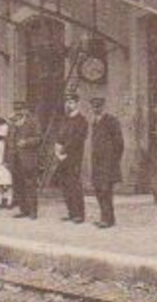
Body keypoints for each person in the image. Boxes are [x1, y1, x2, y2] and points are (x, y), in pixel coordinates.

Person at [85, 96, 125, 228]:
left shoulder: (111, 120)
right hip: (97, 163)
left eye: (99, 106)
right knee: (99, 191)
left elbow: (119, 143)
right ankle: (105, 217)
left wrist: (113, 160)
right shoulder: (95, 122)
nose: (96, 109)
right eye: (94, 107)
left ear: (103, 107)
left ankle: (107, 219)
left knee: (106, 191)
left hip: (108, 164)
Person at [52, 93, 90, 224]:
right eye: (67, 102)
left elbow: (78, 139)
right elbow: (59, 136)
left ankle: (79, 214)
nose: (69, 104)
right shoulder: (65, 120)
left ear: (77, 104)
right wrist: (57, 148)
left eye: (72, 102)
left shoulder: (82, 121)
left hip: (74, 157)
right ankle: (71, 212)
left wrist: (65, 150)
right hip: (62, 157)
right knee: (65, 185)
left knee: (75, 185)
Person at [9, 99, 42, 219]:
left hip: (28, 158)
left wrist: (26, 142)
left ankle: (33, 211)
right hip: (15, 158)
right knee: (18, 185)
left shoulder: (33, 121)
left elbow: (38, 138)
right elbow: (9, 141)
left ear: (25, 110)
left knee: (30, 185)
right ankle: (23, 209)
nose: (17, 112)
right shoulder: (12, 123)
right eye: (15, 109)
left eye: (19, 109)